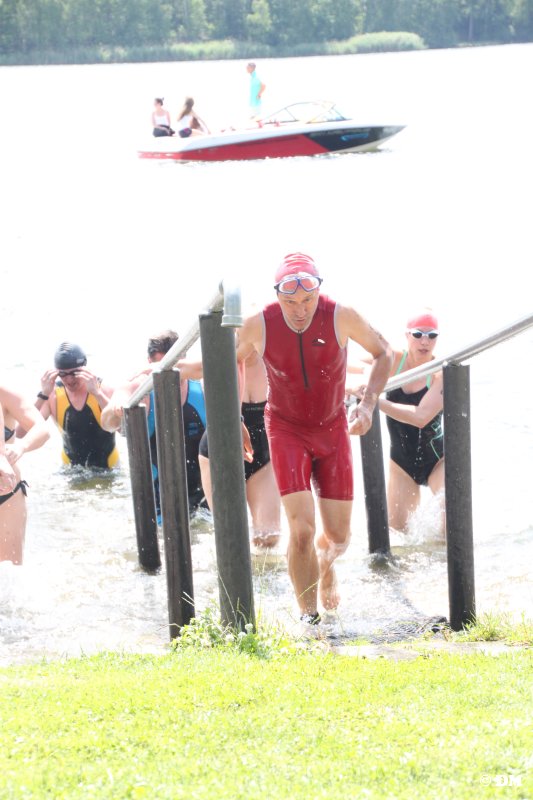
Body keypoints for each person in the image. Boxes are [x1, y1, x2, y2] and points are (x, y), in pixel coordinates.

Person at [236, 253, 392, 624]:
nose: (300, 310)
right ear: (277, 295)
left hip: (332, 427)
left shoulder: (341, 315)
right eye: (290, 302)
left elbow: (384, 352)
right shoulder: (259, 323)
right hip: (286, 429)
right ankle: (309, 619)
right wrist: (234, 415)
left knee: (338, 537)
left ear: (318, 292)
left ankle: (326, 563)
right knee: (302, 530)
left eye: (307, 300)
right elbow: (227, 360)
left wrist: (368, 405)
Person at [349, 310, 445, 535]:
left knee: (450, 526)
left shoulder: (440, 372)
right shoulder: (394, 360)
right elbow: (348, 363)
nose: (425, 341)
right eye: (418, 334)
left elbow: (420, 417)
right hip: (401, 464)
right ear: (407, 335)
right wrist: (366, 376)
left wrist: (373, 399)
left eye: (432, 335)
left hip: (437, 461)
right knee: (398, 536)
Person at [101, 330, 206, 518]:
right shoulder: (139, 388)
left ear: (184, 359)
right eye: (161, 367)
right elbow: (106, 422)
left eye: (174, 365)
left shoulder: (202, 387)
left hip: (204, 499)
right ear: (149, 363)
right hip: (160, 503)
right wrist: (116, 410)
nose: (169, 373)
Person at [198, 348, 281, 549]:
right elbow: (184, 368)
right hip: (220, 451)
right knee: (231, 538)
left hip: (262, 453)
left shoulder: (275, 359)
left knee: (268, 539)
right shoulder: (218, 358)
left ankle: (260, 571)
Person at [32, 342, 118, 469]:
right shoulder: (52, 396)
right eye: (63, 374)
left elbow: (122, 428)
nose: (69, 380)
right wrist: (43, 395)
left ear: (84, 368)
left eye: (74, 373)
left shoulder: (104, 390)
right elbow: (22, 432)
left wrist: (97, 394)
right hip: (70, 472)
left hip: (109, 471)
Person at [1, 382, 50, 564]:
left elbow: (41, 429)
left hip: (6, 495)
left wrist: (21, 446)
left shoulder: (4, 393)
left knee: (8, 571)